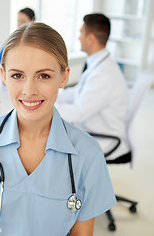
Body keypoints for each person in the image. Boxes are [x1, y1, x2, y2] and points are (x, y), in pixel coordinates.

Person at [0, 22, 116, 235]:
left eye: (44, 76)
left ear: (64, 76)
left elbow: (82, 233)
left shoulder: (87, 154)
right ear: (3, 76)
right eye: (17, 75)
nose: (29, 90)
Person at [55, 13, 129, 160]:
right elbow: (77, 92)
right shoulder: (99, 64)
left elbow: (76, 113)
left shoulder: (104, 74)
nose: (79, 37)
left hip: (104, 138)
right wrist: (52, 95)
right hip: (91, 129)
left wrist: (49, 105)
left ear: (91, 38)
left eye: (81, 33)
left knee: (50, 145)